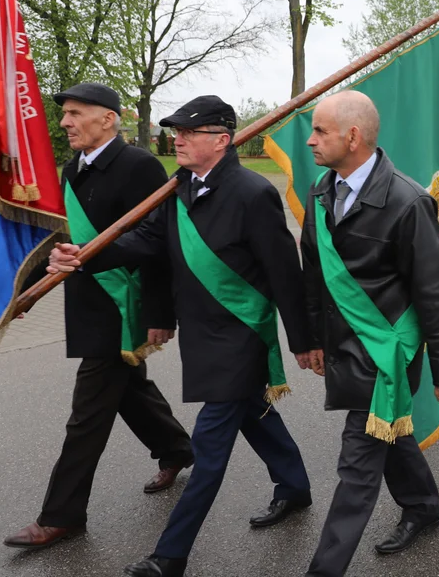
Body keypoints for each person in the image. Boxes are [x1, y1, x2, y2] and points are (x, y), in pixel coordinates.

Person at [49, 95, 314, 577]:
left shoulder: (253, 193)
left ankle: (170, 555)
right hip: (202, 334)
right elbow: (145, 243)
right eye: (177, 131)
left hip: (240, 335)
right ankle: (294, 487)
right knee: (255, 414)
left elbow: (284, 274)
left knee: (210, 450)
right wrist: (85, 254)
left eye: (189, 132)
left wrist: (302, 340)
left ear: (221, 139)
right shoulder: (179, 187)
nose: (178, 139)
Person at [4, 83, 194, 550]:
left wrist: (160, 314)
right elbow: (58, 240)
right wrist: (20, 294)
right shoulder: (73, 169)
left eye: (75, 113)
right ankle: (178, 449)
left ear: (107, 119)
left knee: (86, 414)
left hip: (123, 307)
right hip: (89, 303)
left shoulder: (140, 166)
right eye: (64, 114)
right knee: (129, 390)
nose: (65, 122)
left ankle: (61, 515)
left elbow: (158, 242)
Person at [298, 91, 439, 576]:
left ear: (352, 137)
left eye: (320, 132)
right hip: (342, 344)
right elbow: (313, 274)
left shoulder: (409, 201)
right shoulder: (320, 190)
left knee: (356, 463)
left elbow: (436, 294)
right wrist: (310, 338)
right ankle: (423, 506)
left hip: (387, 352)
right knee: (389, 431)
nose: (310, 141)